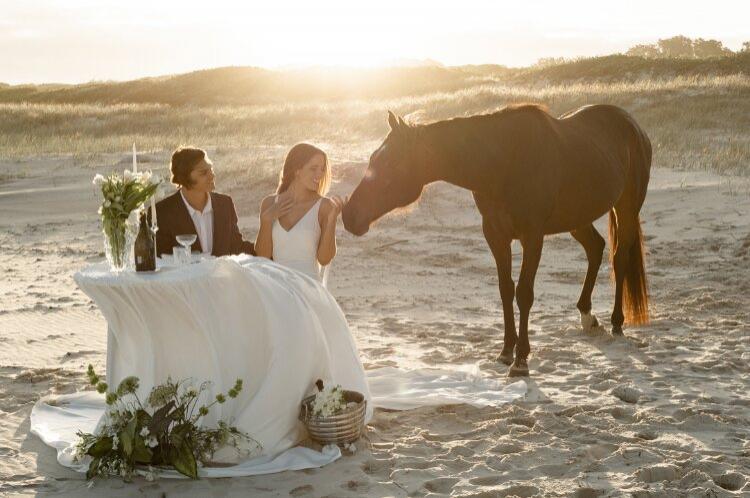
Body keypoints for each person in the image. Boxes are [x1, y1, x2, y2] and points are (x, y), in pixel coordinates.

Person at [254, 143, 345, 282]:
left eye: (322, 169)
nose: (319, 174)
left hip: (308, 289)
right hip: (276, 288)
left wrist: (332, 220)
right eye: (313, 169)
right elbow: (263, 257)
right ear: (297, 170)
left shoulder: (324, 206)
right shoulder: (269, 203)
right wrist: (266, 220)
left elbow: (324, 259)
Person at [155, 146, 255, 257]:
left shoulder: (225, 204)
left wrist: (272, 245)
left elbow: (236, 247)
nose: (212, 175)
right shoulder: (161, 213)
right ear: (184, 176)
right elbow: (159, 259)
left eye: (211, 169)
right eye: (203, 173)